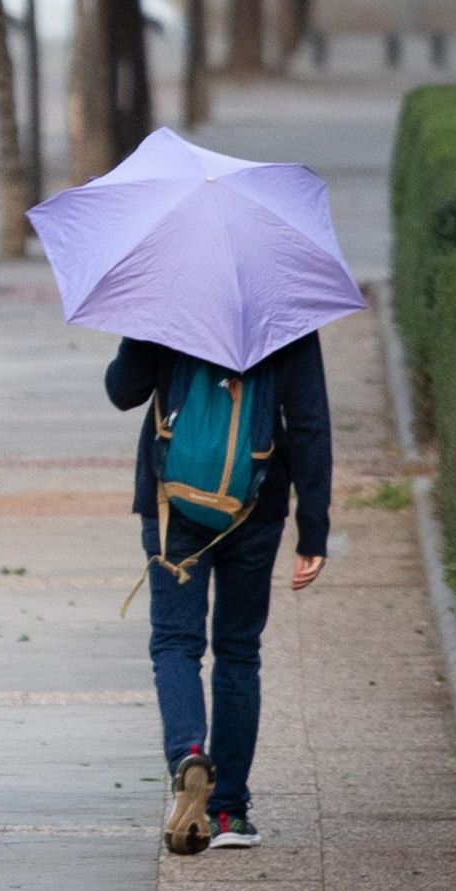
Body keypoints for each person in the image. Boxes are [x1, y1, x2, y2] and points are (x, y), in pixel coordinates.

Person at [104, 334, 331, 854]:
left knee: (176, 643)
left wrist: (138, 333)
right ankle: (227, 810)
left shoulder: (165, 298)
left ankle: (187, 756)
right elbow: (309, 423)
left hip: (172, 503)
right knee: (238, 650)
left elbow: (123, 391)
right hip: (257, 503)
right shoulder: (286, 307)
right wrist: (313, 527)